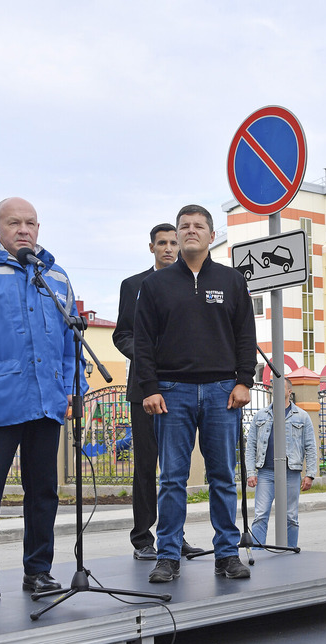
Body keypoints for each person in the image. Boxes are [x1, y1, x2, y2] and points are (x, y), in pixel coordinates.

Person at [0, 197, 85, 601]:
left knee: (44, 491)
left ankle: (38, 571)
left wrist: (73, 389)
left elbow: (68, 342)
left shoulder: (55, 277)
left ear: (38, 229)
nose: (23, 230)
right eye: (14, 223)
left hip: (47, 401)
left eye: (30, 223)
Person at [134, 204, 256, 583]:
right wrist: (149, 388)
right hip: (172, 392)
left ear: (210, 234)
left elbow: (245, 335)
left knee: (223, 476)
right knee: (172, 477)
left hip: (223, 392)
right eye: (184, 225)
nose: (190, 231)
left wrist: (244, 380)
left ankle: (226, 554)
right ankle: (168, 555)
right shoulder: (155, 285)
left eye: (198, 226)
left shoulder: (232, 281)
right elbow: (142, 343)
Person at [113, 223, 203, 562]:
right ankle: (143, 539)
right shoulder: (134, 285)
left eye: (173, 243)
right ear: (151, 247)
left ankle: (174, 536)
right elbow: (121, 335)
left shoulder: (192, 283)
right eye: (162, 243)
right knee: (146, 467)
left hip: (183, 389)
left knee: (175, 468)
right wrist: (147, 354)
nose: (169, 248)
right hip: (144, 391)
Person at [243, 377, 317, 548]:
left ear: (289, 391)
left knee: (290, 516)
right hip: (266, 472)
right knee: (260, 515)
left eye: (279, 386)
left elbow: (311, 447)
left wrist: (310, 474)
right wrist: (251, 473)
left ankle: (289, 552)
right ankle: (257, 552)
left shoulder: (302, 416)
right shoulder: (261, 415)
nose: (274, 389)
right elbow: (251, 446)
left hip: (290, 472)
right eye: (272, 386)